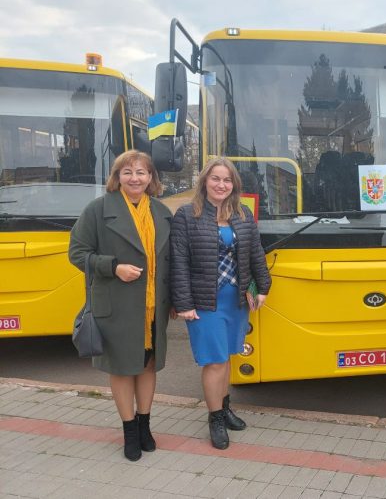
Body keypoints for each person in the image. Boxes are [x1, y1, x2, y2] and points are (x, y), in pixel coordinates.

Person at [68, 150, 173, 461]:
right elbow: (77, 253)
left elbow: (174, 260)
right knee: (122, 368)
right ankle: (129, 430)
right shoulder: (98, 210)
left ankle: (145, 425)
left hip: (154, 307)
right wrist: (113, 267)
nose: (135, 178)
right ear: (117, 177)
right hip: (116, 305)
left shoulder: (163, 212)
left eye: (141, 172)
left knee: (148, 365)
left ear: (152, 178)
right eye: (127, 172)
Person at [171, 157, 271, 450]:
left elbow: (256, 254)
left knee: (227, 356)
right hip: (204, 302)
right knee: (214, 361)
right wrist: (184, 302)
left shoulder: (242, 215)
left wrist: (263, 287)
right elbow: (178, 262)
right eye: (215, 178)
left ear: (234, 186)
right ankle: (214, 417)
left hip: (235, 299)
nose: (221, 185)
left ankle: (224, 407)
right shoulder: (187, 215)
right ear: (204, 181)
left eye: (227, 180)